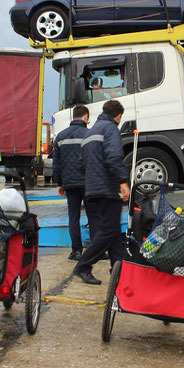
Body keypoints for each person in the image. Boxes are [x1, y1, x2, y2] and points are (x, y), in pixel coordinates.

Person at [73, 100, 131, 284]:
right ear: (119, 116)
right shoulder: (111, 128)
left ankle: (118, 268)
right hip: (107, 188)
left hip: (92, 188)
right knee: (110, 230)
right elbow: (114, 157)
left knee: (111, 230)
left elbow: (82, 163)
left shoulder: (91, 131)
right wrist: (122, 181)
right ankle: (83, 265)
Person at [52, 105, 100, 261]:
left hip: (70, 184)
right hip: (88, 183)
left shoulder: (60, 136)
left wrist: (59, 183)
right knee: (93, 216)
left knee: (73, 217)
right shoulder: (91, 134)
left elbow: (56, 163)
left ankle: (76, 251)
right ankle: (95, 251)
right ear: (86, 116)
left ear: (73, 116)